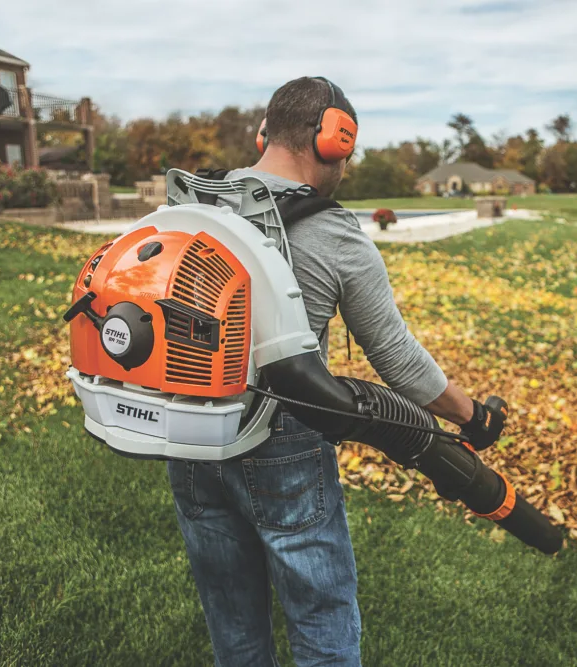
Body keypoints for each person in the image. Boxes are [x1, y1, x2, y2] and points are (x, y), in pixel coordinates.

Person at [166, 76, 488, 667]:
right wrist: (474, 414)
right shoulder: (331, 228)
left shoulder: (195, 204)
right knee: (321, 617)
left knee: (232, 619)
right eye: (349, 149)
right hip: (281, 436)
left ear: (266, 132)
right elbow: (395, 360)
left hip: (189, 433)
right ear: (333, 139)